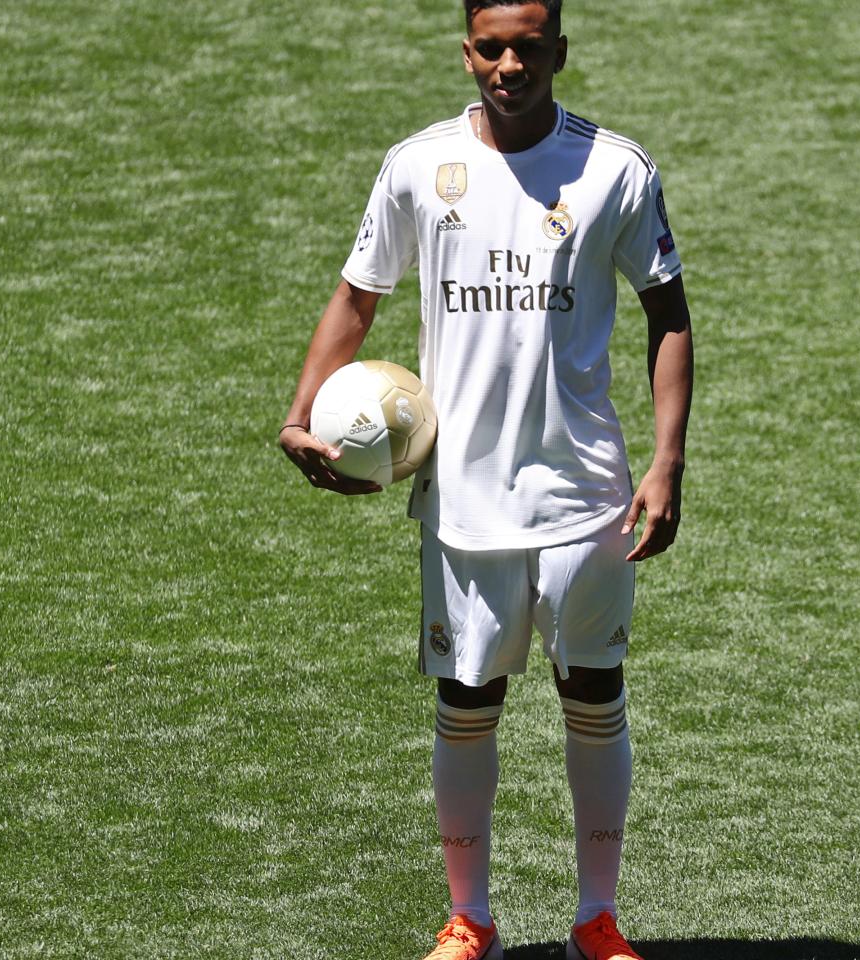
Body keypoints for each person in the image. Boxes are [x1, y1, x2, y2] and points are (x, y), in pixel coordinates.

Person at [280, 2, 691, 957]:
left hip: (587, 493)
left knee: (593, 692)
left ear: (558, 51)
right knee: (468, 704)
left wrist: (667, 463)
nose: (509, 65)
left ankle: (598, 917)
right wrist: (300, 416)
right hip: (462, 498)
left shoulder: (616, 170)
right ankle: (471, 919)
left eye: (528, 48)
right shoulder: (418, 166)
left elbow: (668, 314)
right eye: (491, 47)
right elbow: (358, 295)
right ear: (466, 50)